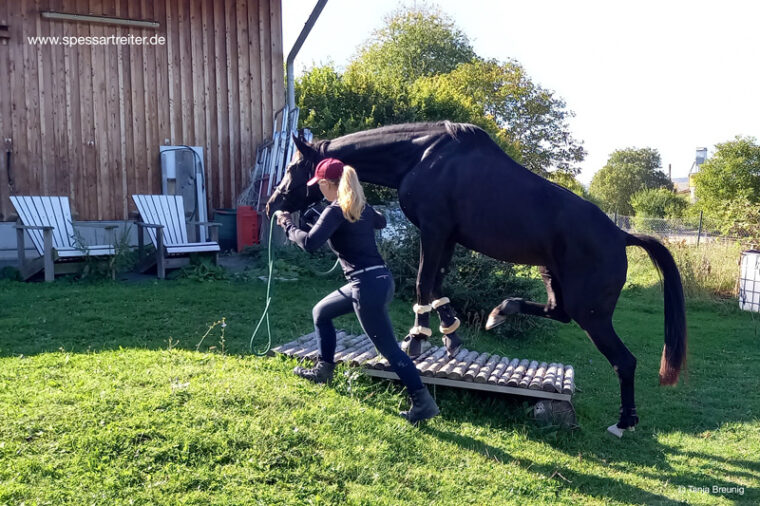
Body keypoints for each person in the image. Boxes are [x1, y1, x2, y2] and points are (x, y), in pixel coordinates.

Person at [275, 157, 439, 425]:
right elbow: (381, 221)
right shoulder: (357, 208)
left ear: (329, 184)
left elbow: (309, 244)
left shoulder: (336, 210)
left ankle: (422, 403)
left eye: (320, 185)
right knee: (321, 313)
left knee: (390, 350)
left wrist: (287, 224)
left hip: (366, 287)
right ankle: (323, 370)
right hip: (376, 281)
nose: (319, 190)